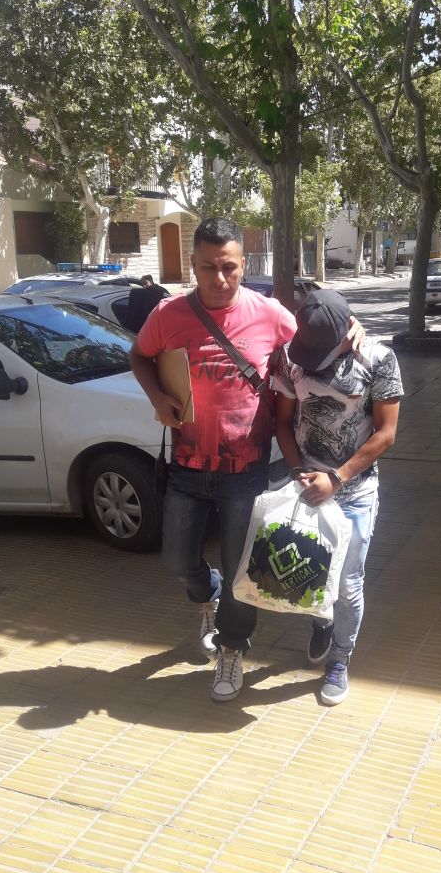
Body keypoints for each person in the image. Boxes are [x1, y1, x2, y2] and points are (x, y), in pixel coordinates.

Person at [129, 218, 362, 703]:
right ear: (192, 264)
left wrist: (352, 323)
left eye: (229, 267)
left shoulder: (269, 314)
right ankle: (207, 594)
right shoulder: (169, 314)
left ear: (242, 264)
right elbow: (139, 356)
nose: (219, 278)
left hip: (246, 471)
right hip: (188, 465)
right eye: (208, 267)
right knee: (177, 561)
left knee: (243, 573)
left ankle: (232, 649)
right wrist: (156, 396)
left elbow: (318, 334)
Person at [272, 290, 402, 706]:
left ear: (347, 330)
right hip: (307, 488)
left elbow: (386, 432)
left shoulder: (378, 360)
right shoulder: (289, 356)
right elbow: (283, 422)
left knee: (347, 584)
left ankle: (340, 660)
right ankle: (322, 622)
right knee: (312, 572)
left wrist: (338, 477)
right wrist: (298, 472)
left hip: (355, 491)